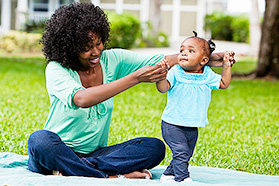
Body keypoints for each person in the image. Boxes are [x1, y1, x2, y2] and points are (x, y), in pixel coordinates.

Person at [27, 3, 235, 179]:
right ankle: (107, 176)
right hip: (57, 150)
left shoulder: (112, 59)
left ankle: (76, 169)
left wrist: (207, 59)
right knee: (39, 140)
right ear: (69, 47)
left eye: (99, 43)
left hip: (97, 153)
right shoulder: (57, 68)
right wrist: (134, 78)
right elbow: (81, 98)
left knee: (154, 147)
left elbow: (159, 61)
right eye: (86, 47)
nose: (96, 52)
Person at [156, 32, 234, 183]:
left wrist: (226, 65)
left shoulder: (207, 75)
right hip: (172, 123)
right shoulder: (176, 72)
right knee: (181, 152)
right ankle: (182, 178)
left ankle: (168, 174)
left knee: (186, 154)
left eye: (191, 51)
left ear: (204, 60)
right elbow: (163, 88)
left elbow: (224, 83)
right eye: (182, 50)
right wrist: (161, 76)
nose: (184, 54)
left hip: (192, 124)